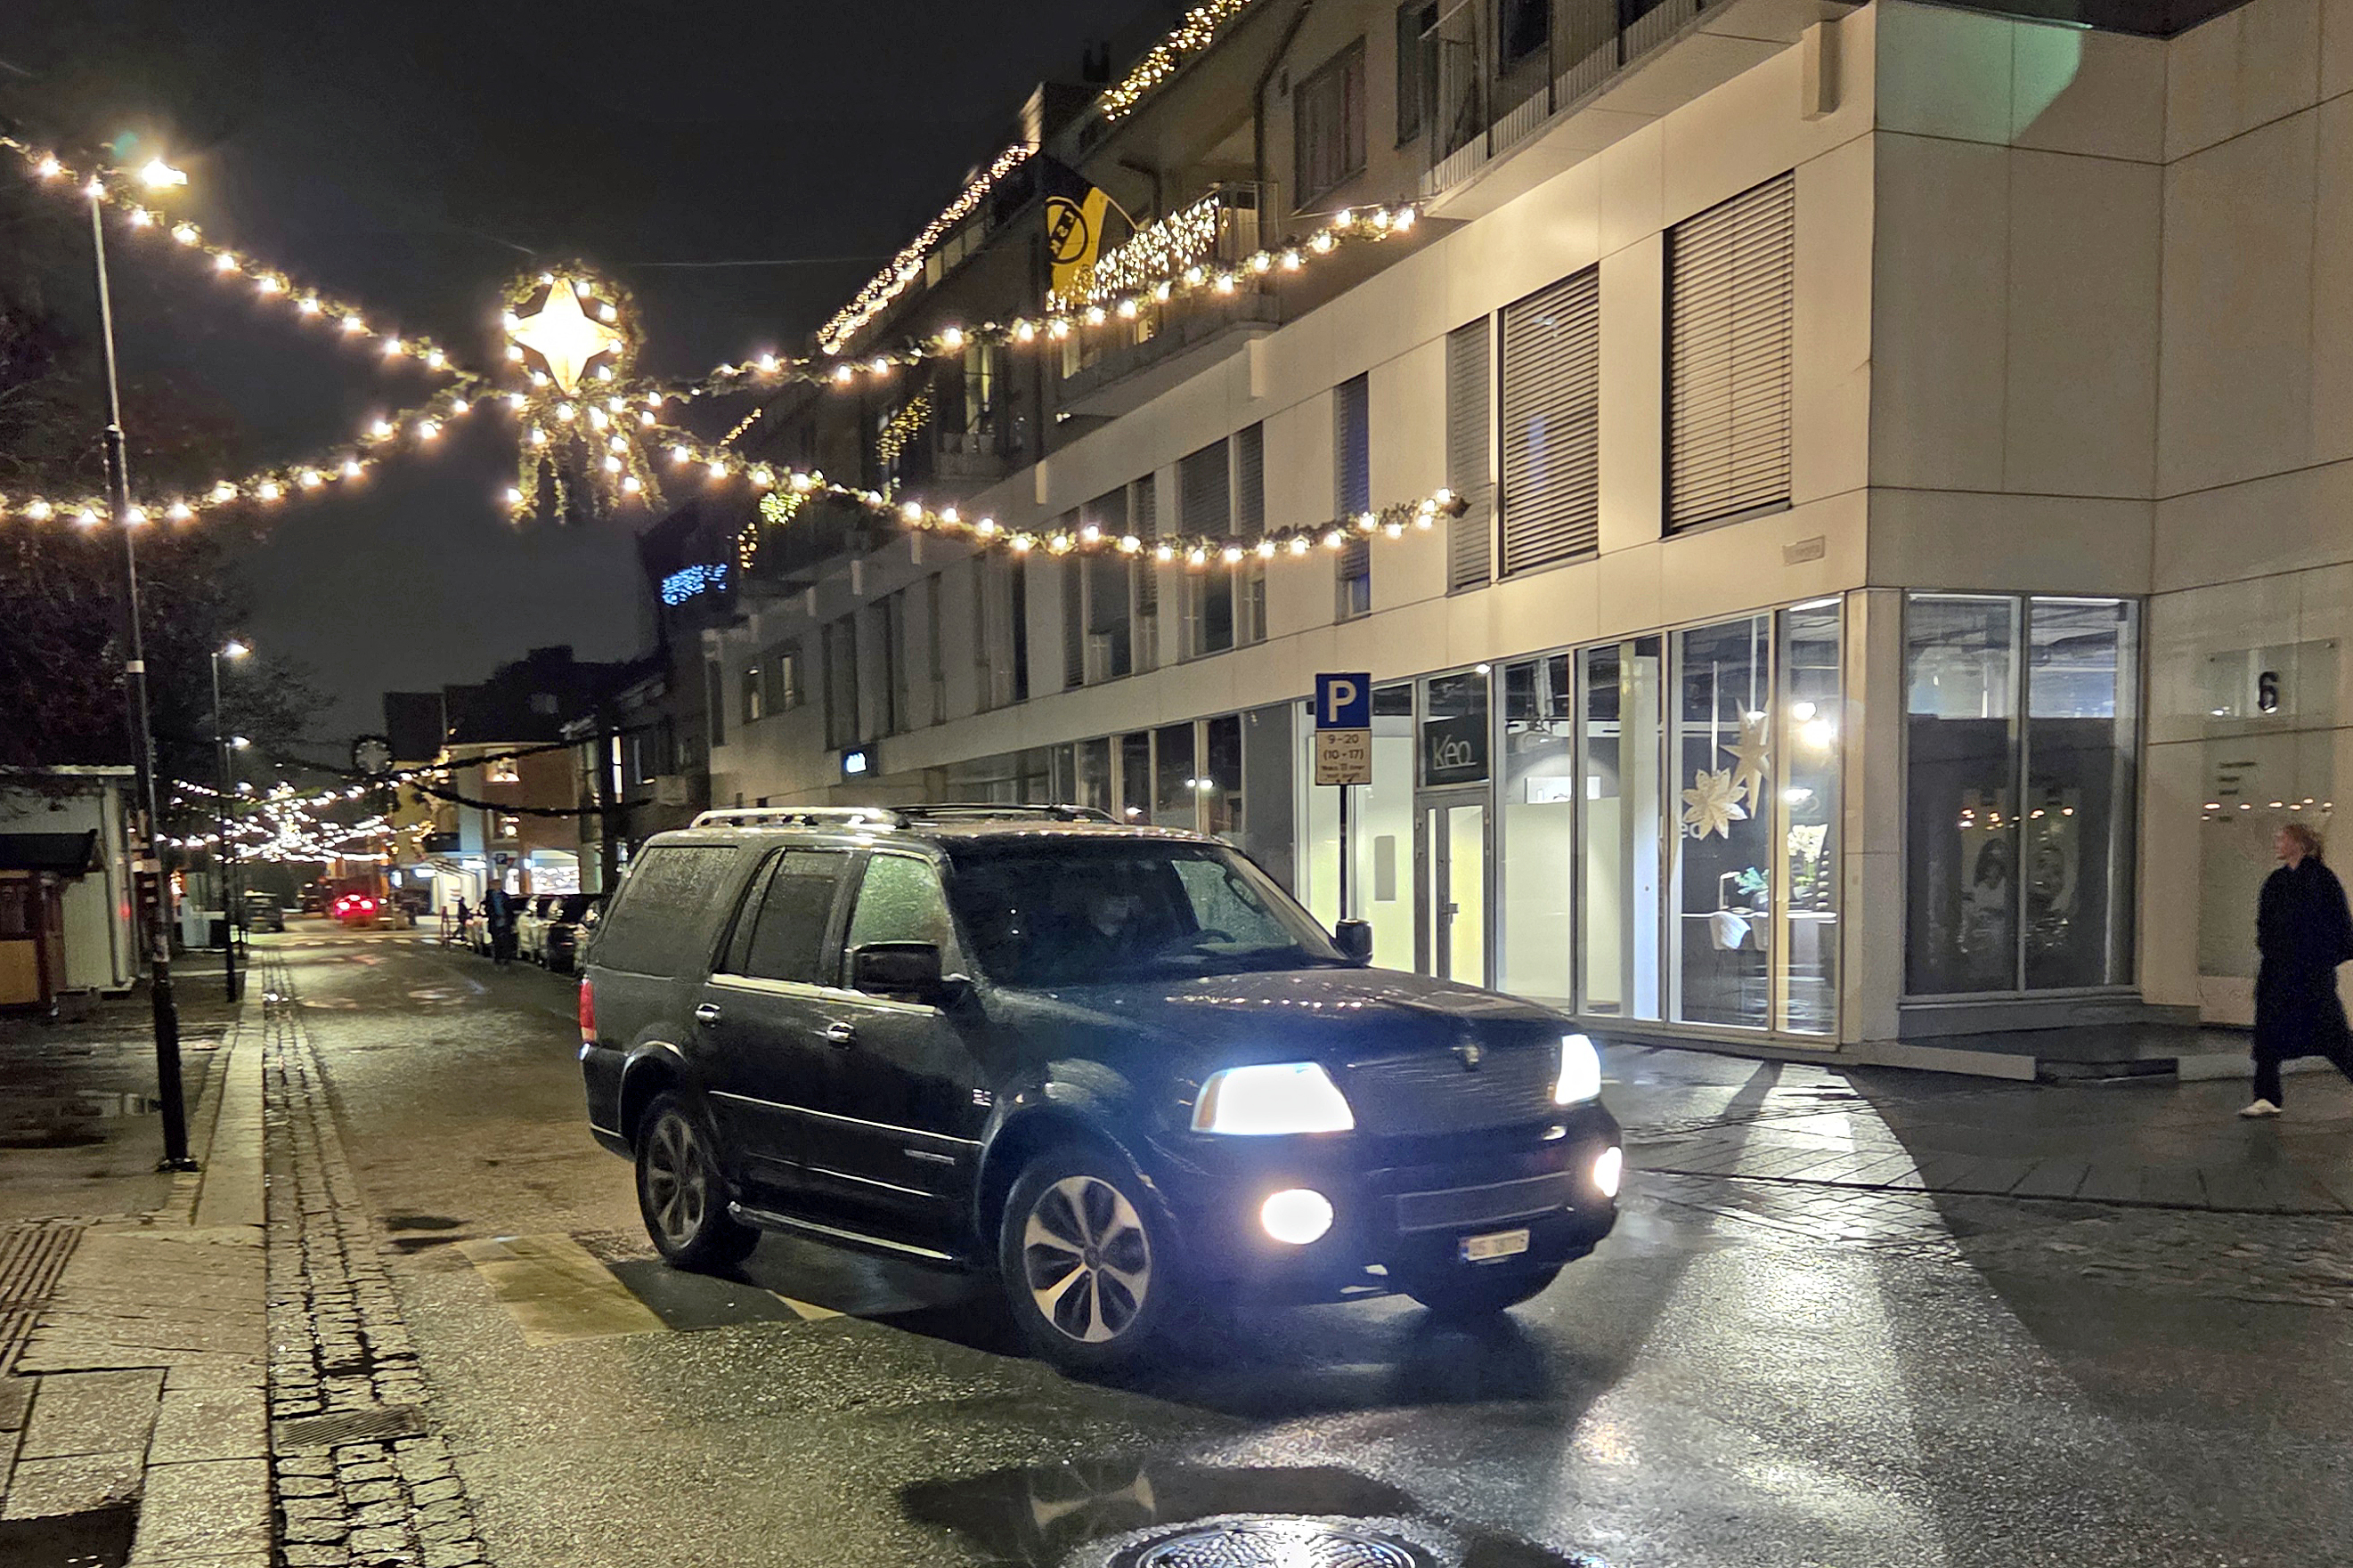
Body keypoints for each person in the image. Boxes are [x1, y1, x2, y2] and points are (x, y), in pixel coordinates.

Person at [2243, 821, 2353, 1117]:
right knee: (2268, 1036)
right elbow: (2264, 924)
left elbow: (2341, 925)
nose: (2277, 843)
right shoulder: (2276, 881)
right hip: (2278, 973)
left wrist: (2322, 959)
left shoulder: (2322, 880)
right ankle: (2266, 1096)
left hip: (2311, 975)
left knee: (2334, 1037)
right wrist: (2270, 949)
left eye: (2283, 838)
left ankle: (2267, 1096)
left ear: (2299, 844)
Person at [485, 885, 518, 968]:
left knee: (506, 941)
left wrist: (510, 921)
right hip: (496, 922)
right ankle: (499, 958)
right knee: (497, 941)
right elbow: (488, 909)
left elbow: (509, 910)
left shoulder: (505, 897)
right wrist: (493, 915)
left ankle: (505, 958)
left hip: (505, 922)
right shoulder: (490, 898)